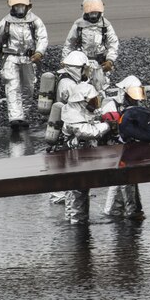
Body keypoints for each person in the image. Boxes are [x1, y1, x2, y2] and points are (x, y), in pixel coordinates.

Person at [0, 0, 49, 131]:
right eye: (17, 7)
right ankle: (15, 117)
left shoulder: (35, 21)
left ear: (27, 6)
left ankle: (23, 116)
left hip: (28, 58)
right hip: (10, 58)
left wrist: (39, 52)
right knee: (12, 87)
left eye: (22, 7)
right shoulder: (5, 22)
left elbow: (42, 38)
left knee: (28, 88)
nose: (20, 10)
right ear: (12, 7)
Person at [60, 82, 114, 224]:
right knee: (77, 191)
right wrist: (108, 125)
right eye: (92, 100)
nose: (95, 103)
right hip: (74, 160)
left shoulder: (79, 111)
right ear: (83, 100)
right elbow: (89, 132)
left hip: (80, 159)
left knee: (79, 191)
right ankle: (77, 225)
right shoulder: (72, 115)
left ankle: (74, 224)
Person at [101, 76, 146, 220]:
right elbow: (108, 130)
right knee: (121, 181)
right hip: (114, 150)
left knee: (129, 180)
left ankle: (128, 211)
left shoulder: (135, 107)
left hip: (128, 149)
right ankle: (118, 212)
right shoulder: (111, 105)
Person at [49, 50, 90, 205]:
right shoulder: (69, 85)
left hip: (64, 124)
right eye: (83, 68)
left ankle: (64, 193)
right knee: (66, 159)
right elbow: (80, 104)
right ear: (77, 68)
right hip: (66, 126)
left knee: (65, 159)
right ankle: (59, 195)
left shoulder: (67, 80)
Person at [62, 0, 119, 94]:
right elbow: (69, 44)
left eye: (95, 13)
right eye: (91, 13)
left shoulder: (105, 26)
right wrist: (65, 60)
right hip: (82, 64)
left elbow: (113, 44)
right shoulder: (79, 25)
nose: (93, 16)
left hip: (100, 64)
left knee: (100, 91)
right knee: (81, 89)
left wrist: (110, 60)